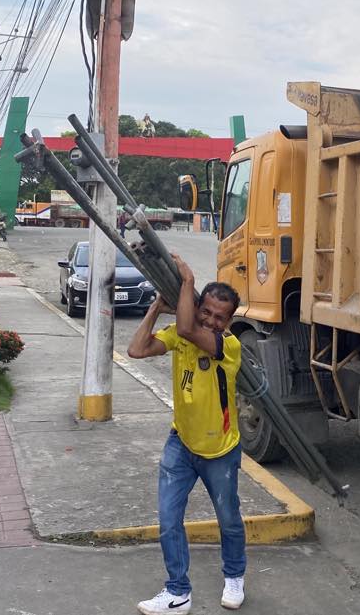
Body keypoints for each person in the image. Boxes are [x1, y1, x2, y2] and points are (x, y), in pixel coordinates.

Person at [128, 255, 246, 615]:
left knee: (228, 519)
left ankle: (234, 576)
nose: (210, 320)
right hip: (181, 443)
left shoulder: (228, 346)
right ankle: (177, 591)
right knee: (168, 520)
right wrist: (156, 308)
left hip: (219, 450)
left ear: (229, 322)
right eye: (205, 311)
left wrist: (187, 281)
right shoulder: (181, 338)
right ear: (197, 308)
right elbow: (136, 349)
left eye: (220, 317)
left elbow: (186, 329)